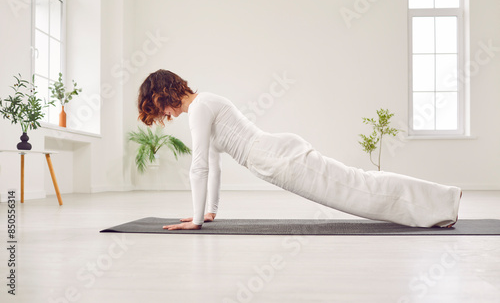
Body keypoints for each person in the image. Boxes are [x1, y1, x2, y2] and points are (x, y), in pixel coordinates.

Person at [137, 69, 462, 231]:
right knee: (358, 188)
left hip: (278, 158)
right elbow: (212, 162)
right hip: (275, 158)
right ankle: (440, 203)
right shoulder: (204, 105)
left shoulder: (199, 108)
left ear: (166, 93)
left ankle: (443, 202)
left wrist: (194, 221)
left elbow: (198, 167)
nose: (163, 117)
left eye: (158, 108)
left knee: (358, 189)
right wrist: (209, 212)